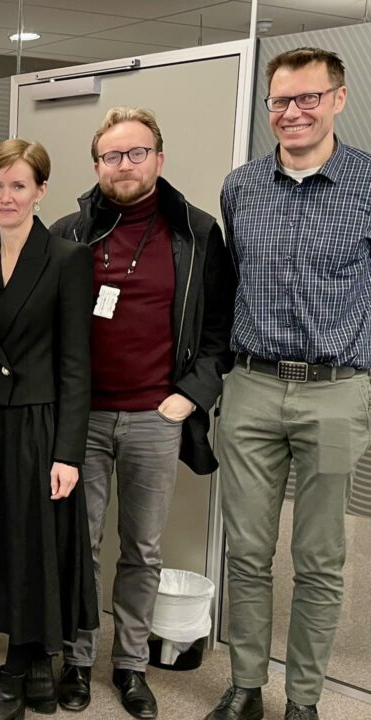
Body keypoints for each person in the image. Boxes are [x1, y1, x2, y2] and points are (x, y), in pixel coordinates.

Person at [49, 107, 235, 718]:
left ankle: (130, 666)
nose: (123, 165)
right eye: (111, 156)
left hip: (157, 418)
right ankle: (77, 660)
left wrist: (191, 395)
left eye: (136, 153)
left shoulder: (197, 233)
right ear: (96, 165)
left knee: (143, 550)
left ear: (159, 158)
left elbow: (219, 331)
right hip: (82, 420)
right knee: (80, 545)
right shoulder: (70, 232)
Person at [208, 47, 371, 720]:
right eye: (281, 100)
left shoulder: (367, 184)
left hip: (335, 390)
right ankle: (246, 686)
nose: (293, 112)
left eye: (309, 97)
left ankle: (303, 700)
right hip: (251, 387)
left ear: (337, 99)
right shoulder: (241, 187)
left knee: (320, 558)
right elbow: (231, 283)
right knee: (247, 550)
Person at [0, 138, 97, 720]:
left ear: (40, 191)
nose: (6, 196)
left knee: (34, 547)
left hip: (39, 424)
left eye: (19, 186)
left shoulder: (66, 258)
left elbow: (76, 364)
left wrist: (68, 453)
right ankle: (34, 668)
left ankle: (13, 680)